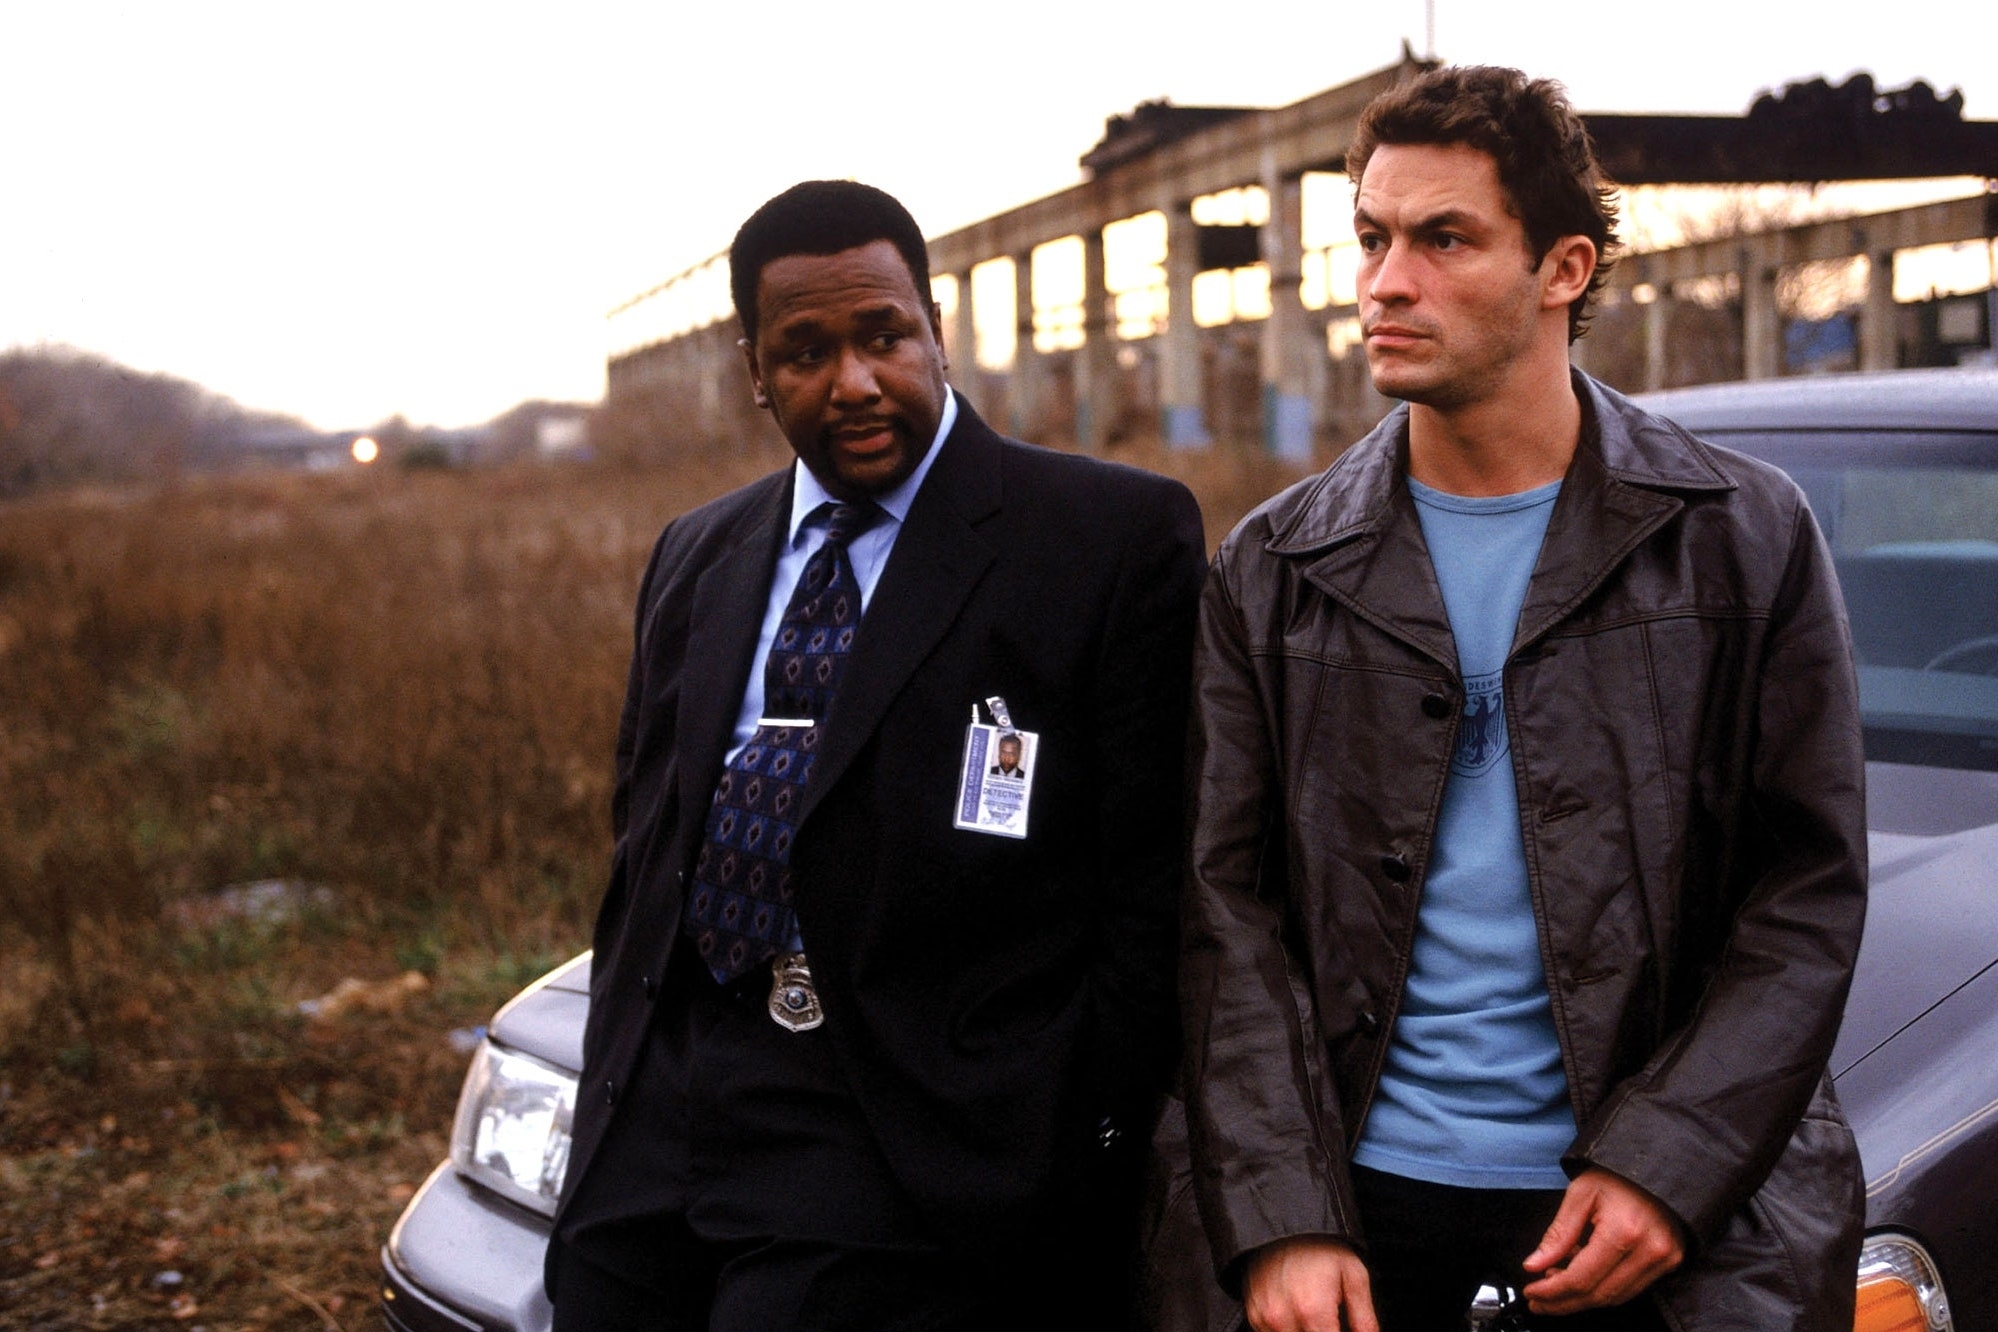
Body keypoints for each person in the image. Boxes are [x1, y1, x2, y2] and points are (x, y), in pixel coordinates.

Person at [1179, 66, 1867, 1331]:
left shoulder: (1741, 535)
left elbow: (1805, 892)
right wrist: (1281, 1211)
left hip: (1662, 1223)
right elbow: (1225, 912)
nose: (1387, 282)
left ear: (1565, 269)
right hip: (1365, 1222)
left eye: (1445, 240)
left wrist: (1671, 1164)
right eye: (1374, 239)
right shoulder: (1272, 568)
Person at [549, 179, 1206, 1332]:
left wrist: (1064, 1138)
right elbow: (645, 849)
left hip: (902, 1140)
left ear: (936, 330)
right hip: (665, 1115)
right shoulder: (697, 555)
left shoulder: (1106, 541)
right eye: (805, 351)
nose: (853, 381)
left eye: (883, 336)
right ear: (754, 369)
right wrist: (627, 1079)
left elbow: (1149, 892)